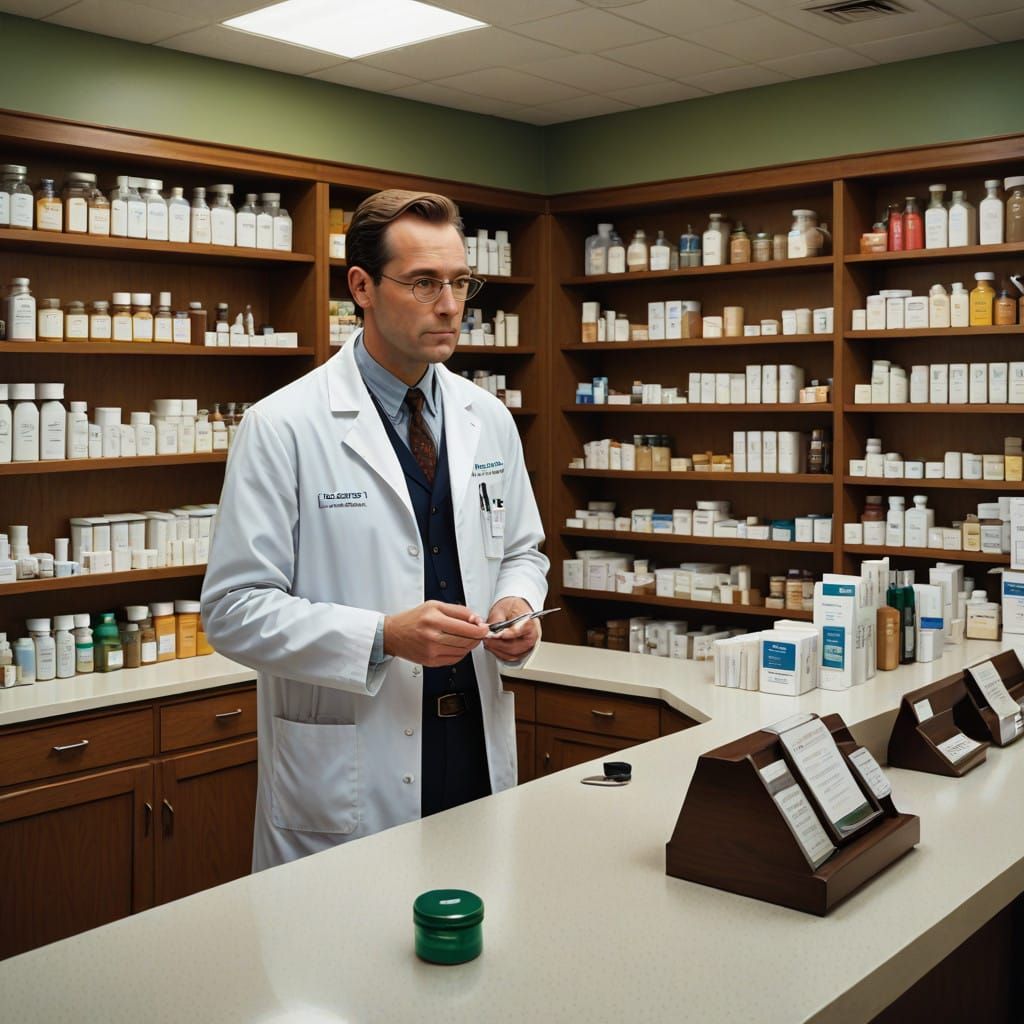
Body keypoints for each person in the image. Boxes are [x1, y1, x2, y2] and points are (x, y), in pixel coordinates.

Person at [201, 189, 549, 871]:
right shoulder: (284, 426)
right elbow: (233, 612)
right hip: (354, 767)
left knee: (471, 944)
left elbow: (521, 551)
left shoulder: (488, 418)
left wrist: (518, 604)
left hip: (474, 745)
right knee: (346, 960)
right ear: (361, 286)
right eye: (423, 283)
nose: (449, 305)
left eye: (459, 282)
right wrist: (381, 636)